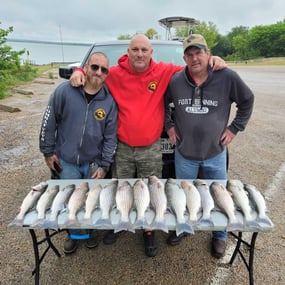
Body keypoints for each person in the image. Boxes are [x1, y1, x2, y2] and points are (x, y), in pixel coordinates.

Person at [70, 34, 226, 257]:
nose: (140, 54)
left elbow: (194, 68)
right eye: (135, 50)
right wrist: (77, 72)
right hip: (122, 146)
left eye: (144, 50)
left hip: (152, 147)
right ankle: (123, 225)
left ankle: (149, 231)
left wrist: (215, 60)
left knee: (152, 191)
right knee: (122, 187)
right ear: (128, 52)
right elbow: (92, 75)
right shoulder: (113, 74)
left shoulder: (163, 72)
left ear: (151, 52)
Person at [164, 34, 254, 258]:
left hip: (215, 153)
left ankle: (219, 235)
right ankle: (185, 227)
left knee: (219, 194)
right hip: (185, 153)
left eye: (199, 53)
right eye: (190, 54)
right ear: (184, 58)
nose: (195, 58)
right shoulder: (175, 81)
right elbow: (163, 105)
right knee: (184, 195)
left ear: (208, 54)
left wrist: (234, 128)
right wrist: (169, 126)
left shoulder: (227, 77)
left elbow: (247, 100)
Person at [39, 52, 118, 254]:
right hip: (67, 162)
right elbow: (49, 123)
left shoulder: (109, 101)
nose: (98, 72)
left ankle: (89, 232)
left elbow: (110, 137)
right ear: (86, 67)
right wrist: (48, 152)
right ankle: (73, 234)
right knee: (71, 200)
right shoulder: (64, 91)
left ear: (107, 74)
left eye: (103, 70)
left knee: (92, 199)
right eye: (94, 67)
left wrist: (104, 165)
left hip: (93, 163)